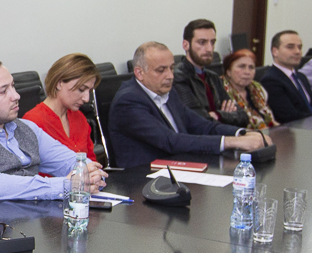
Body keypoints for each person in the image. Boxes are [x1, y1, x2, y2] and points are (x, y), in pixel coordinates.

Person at [0, 56, 106, 203]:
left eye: (13, 86)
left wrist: (91, 175)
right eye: (3, 91)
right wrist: (66, 185)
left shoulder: (26, 127)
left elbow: (70, 161)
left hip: (37, 217)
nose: (16, 96)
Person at [107, 42, 266, 168]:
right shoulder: (128, 101)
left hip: (179, 167)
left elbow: (202, 125)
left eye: (171, 68)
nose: (170, 76)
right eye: (161, 70)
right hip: (143, 178)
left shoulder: (168, 92)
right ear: (139, 73)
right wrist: (231, 142)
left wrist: (242, 134)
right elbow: (170, 141)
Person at [23, 53, 99, 160]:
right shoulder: (33, 122)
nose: (86, 99)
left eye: (89, 91)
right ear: (59, 83)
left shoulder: (79, 117)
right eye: (81, 89)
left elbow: (91, 160)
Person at [173, 19, 249, 128]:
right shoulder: (178, 77)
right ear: (186, 45)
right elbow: (197, 121)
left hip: (222, 134)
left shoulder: (213, 78)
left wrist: (217, 115)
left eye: (212, 42)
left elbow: (243, 117)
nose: (209, 49)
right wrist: (225, 115)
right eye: (202, 42)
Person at [261, 30, 312, 123]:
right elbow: (289, 116)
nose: (297, 52)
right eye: (290, 47)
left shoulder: (301, 77)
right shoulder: (271, 80)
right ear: (275, 51)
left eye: (300, 47)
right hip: (295, 129)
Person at [221, 49, 279, 129]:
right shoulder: (220, 91)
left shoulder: (258, 89)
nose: (247, 72)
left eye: (251, 67)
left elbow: (271, 121)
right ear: (228, 72)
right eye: (241, 66)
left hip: (267, 133)